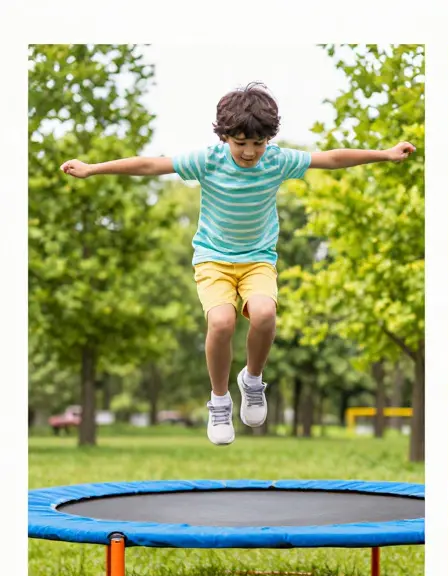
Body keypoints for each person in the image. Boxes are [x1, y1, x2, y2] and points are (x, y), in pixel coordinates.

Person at [60, 83, 415, 445]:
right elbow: (151, 164)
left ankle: (253, 380)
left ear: (268, 139)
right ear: (225, 137)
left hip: (258, 260)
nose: (249, 153)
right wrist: (93, 169)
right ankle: (218, 401)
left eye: (257, 144)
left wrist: (384, 154)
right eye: (241, 143)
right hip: (213, 259)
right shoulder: (208, 161)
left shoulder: (277, 160)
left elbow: (332, 158)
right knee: (222, 321)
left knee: (264, 315)